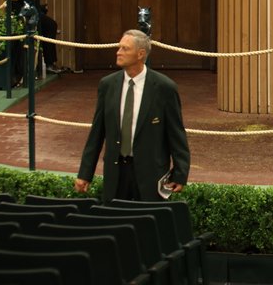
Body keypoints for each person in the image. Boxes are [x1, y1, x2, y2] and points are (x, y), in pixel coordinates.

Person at [76, 29, 190, 201]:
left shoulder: (164, 88)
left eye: (125, 49)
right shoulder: (107, 85)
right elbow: (97, 133)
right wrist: (85, 173)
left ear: (140, 54)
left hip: (150, 176)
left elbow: (176, 134)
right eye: (119, 47)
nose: (118, 52)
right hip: (116, 174)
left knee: (148, 224)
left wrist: (180, 174)